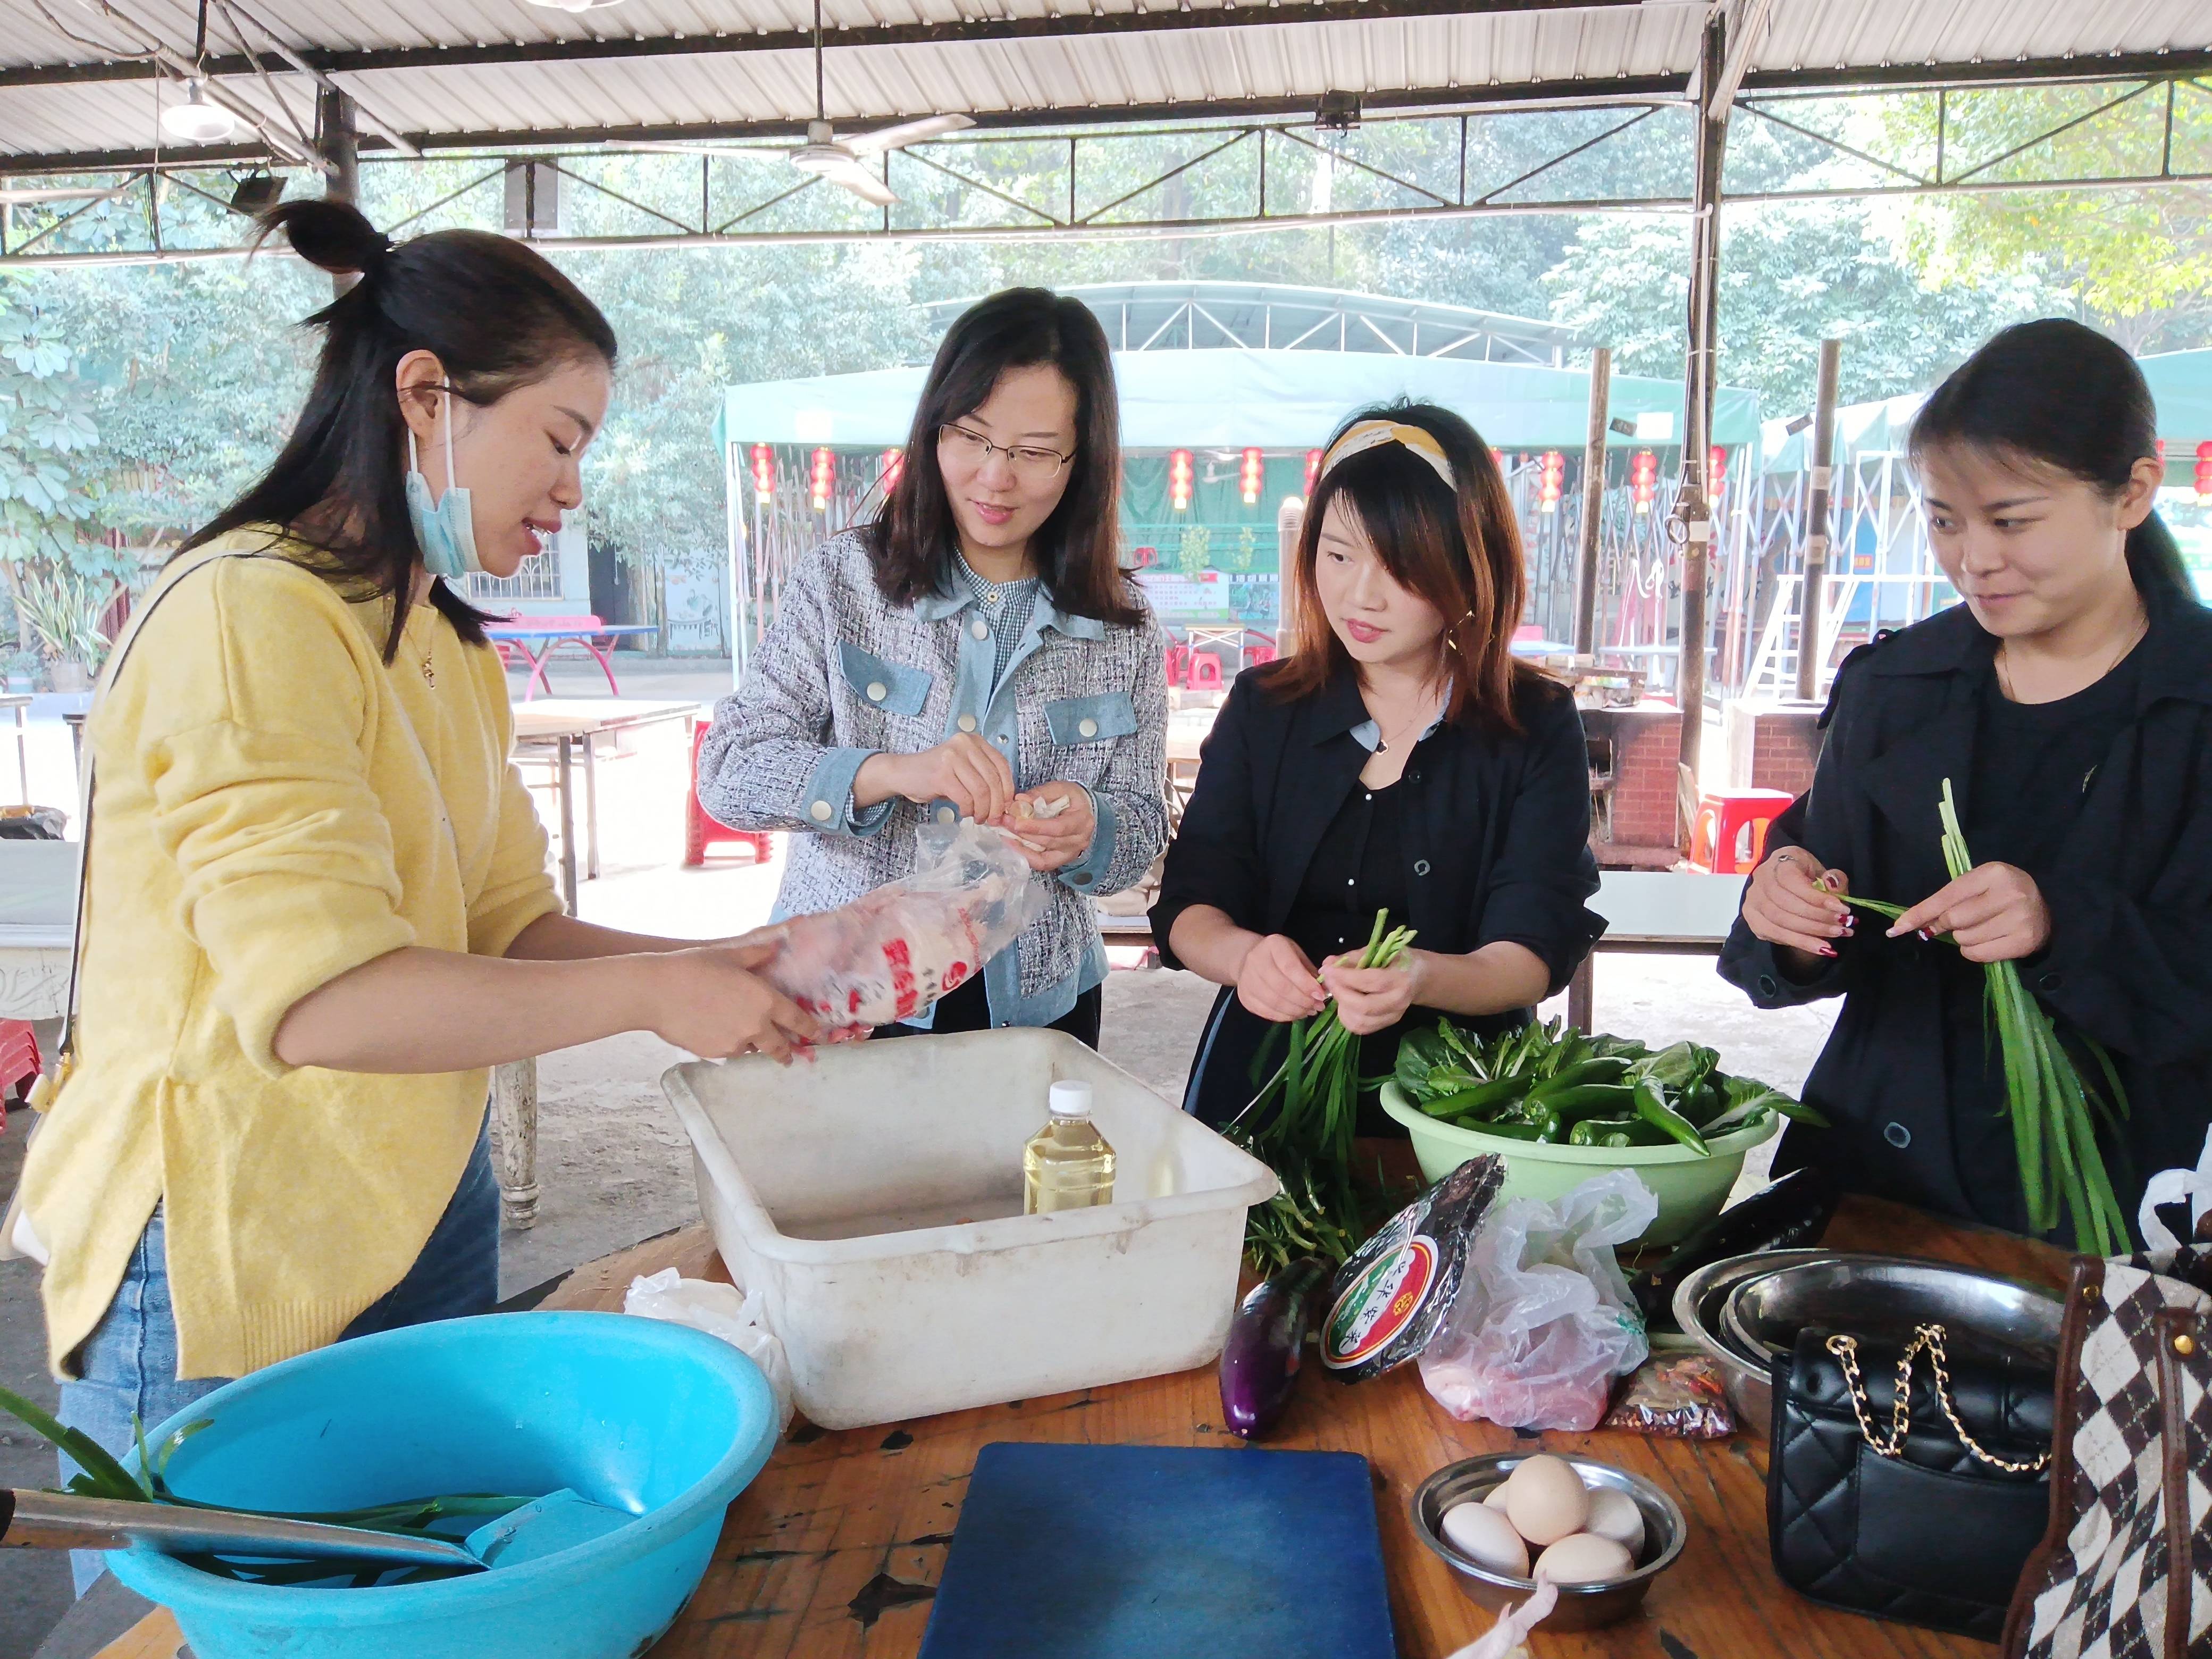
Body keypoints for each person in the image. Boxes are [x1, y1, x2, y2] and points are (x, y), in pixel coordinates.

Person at [5, 200, 818, 1589]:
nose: (572, 494)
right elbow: (323, 1002)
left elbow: (507, 929)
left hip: (415, 1187)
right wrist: (652, 994)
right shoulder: (249, 614)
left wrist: (725, 960)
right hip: (229, 1229)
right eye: (559, 441)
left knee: (422, 1568)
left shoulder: (439, 644)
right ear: (426, 394)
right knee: (229, 1608)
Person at [1721, 318, 2212, 1241]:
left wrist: (2060, 923)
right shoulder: (1901, 687)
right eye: (1946, 519)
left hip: (2113, 1211)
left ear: (2135, 491)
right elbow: (1827, 880)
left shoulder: (2194, 706)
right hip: (1877, 1180)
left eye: (2012, 520)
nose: (1973, 558)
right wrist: (1783, 909)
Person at [698, 288, 1168, 1047]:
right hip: (849, 992)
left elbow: (1145, 824)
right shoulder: (842, 583)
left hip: (1039, 1004)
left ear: (1085, 459)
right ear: (932, 430)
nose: (995, 476)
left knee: (1024, 1171)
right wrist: (890, 772)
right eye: (972, 437)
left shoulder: (1123, 627)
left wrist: (1091, 827)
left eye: (1036, 452)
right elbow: (729, 771)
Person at [1151, 404, 1605, 1130]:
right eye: (1338, 555)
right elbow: (1190, 905)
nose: (1360, 595)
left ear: (1468, 565)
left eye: (1399, 566)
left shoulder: (1531, 723)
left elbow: (1533, 948)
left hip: (1464, 1100)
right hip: (1264, 1083)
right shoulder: (1265, 708)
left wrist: (1421, 975)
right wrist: (1246, 958)